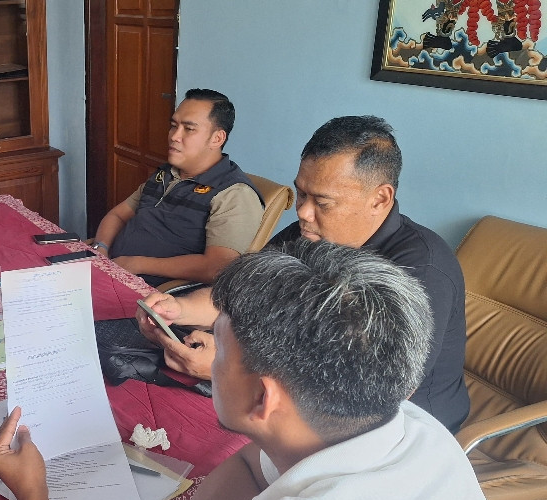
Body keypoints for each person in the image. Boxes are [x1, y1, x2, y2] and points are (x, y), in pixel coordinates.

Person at [0, 240, 522, 500]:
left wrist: (32, 491)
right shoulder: (415, 426)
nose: (206, 351)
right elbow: (251, 464)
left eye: (218, 347)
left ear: (264, 398)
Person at [138, 115, 470, 432]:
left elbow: (371, 395)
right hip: (299, 388)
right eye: (302, 194)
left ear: (379, 199)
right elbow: (242, 294)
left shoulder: (422, 271)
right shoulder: (310, 233)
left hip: (399, 426)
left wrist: (230, 367)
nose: (304, 212)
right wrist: (177, 310)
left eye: (323, 202)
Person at [90, 89, 263, 287]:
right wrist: (101, 248)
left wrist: (136, 264)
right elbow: (118, 215)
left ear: (217, 138)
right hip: (111, 270)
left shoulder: (234, 193)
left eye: (189, 129)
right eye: (173, 126)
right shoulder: (166, 174)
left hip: (153, 292)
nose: (174, 136)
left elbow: (217, 267)